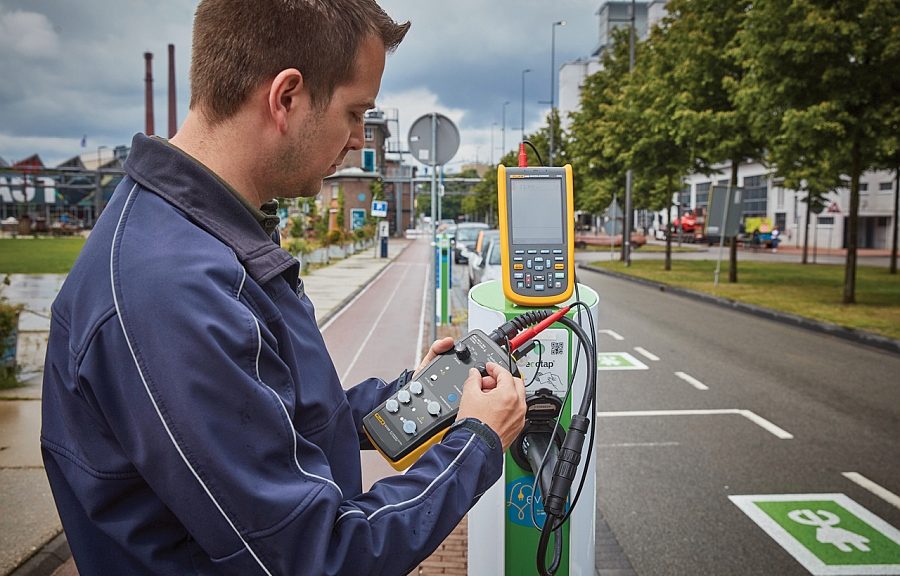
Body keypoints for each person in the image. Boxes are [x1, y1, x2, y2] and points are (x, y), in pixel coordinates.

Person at [40, 1, 526, 574]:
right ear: (286, 97)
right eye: (354, 113)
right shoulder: (170, 294)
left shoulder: (203, 238)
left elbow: (274, 419)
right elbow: (312, 557)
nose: (355, 141)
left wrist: (406, 397)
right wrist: (473, 443)